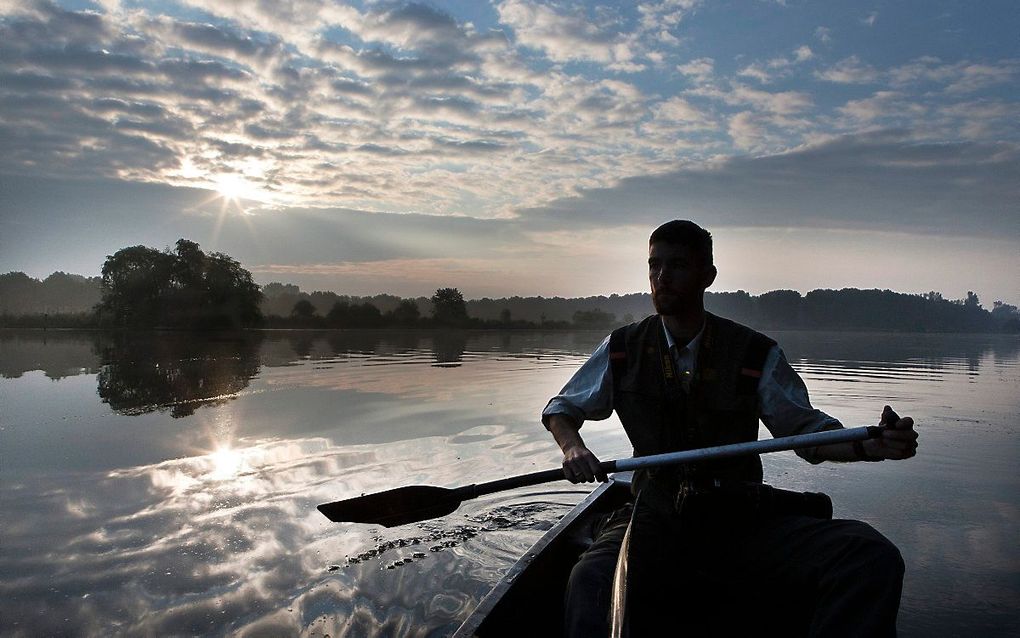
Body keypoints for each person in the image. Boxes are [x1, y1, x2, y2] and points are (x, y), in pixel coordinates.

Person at [543, 220, 919, 637]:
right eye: (654, 266)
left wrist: (871, 446)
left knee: (870, 555)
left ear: (708, 276)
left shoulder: (754, 352)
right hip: (655, 519)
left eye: (678, 266)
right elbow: (560, 409)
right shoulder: (621, 348)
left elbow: (809, 433)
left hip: (738, 521)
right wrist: (573, 448)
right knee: (589, 582)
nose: (661, 278)